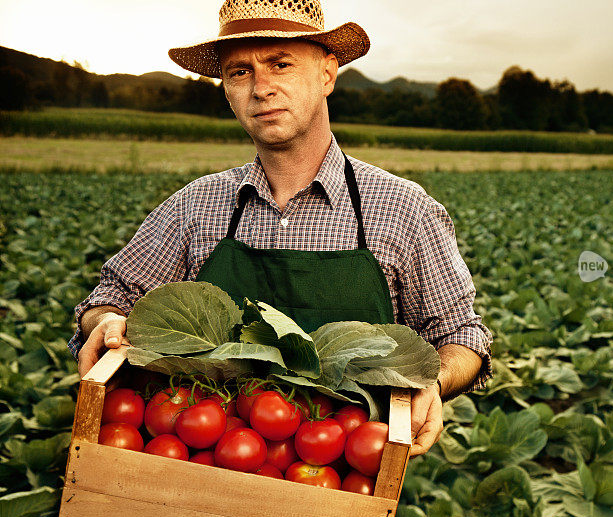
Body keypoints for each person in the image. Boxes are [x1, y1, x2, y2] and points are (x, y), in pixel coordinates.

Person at [70, 0, 492, 457]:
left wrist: (434, 380)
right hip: (200, 464)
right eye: (239, 72)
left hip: (345, 474)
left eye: (281, 63)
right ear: (226, 91)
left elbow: (462, 336)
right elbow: (110, 296)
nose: (261, 88)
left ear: (328, 74)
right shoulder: (194, 206)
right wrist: (107, 321)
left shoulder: (403, 210)